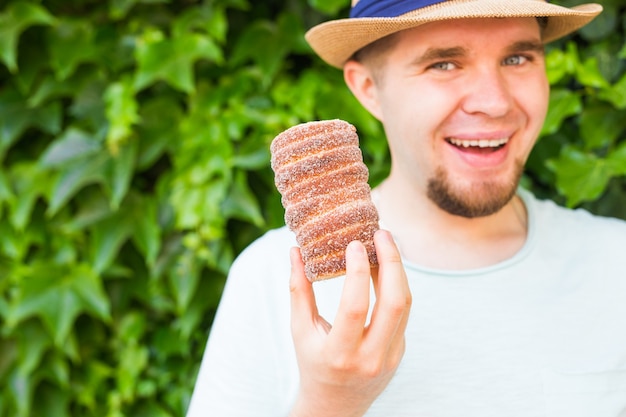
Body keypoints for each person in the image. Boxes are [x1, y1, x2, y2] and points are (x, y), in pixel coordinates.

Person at [186, 1, 626, 416]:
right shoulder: (270, 278)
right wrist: (331, 402)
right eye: (444, 64)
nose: (494, 102)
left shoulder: (616, 262)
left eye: (518, 58)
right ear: (368, 89)